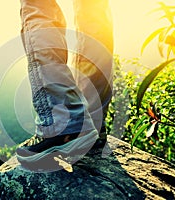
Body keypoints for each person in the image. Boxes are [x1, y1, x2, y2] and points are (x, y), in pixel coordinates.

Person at [16, 0, 113, 171]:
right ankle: (92, 123)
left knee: (38, 5)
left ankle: (63, 125)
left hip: (64, 126)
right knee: (93, 10)